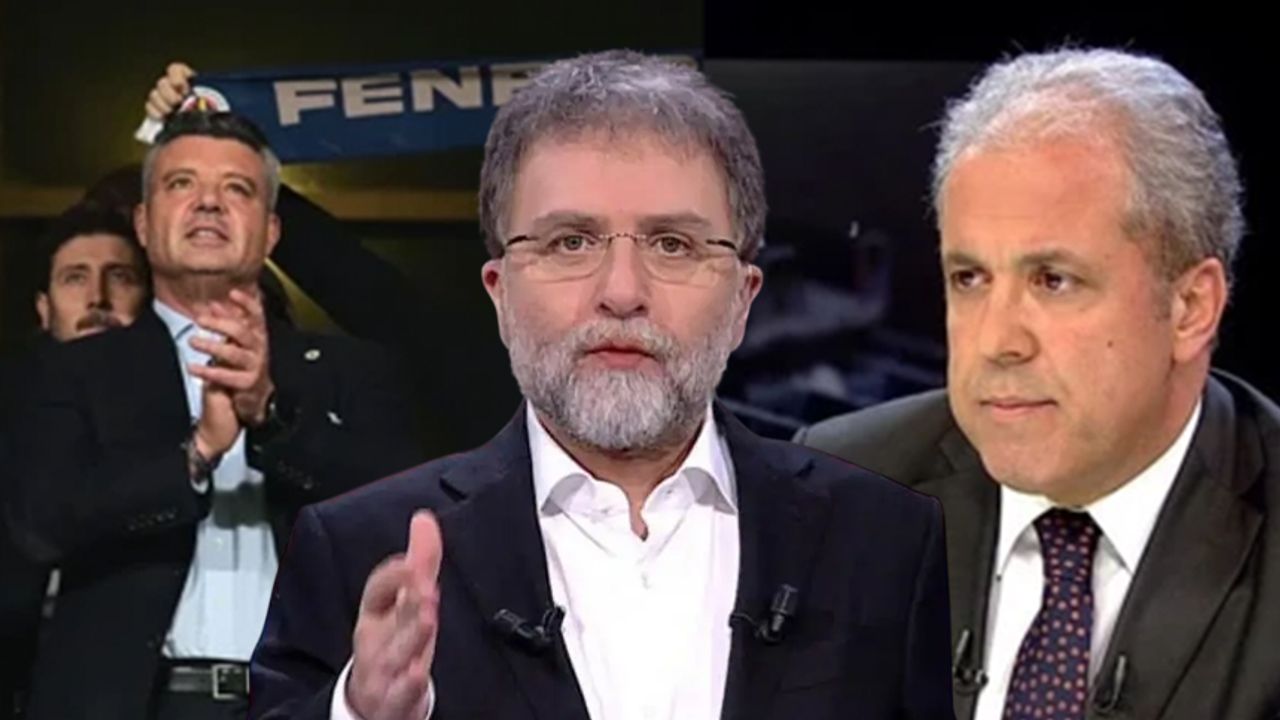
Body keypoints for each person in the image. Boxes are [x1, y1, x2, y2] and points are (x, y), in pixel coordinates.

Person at [250, 50, 954, 720]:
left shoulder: (883, 540)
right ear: (500, 293)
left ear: (743, 299)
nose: (621, 292)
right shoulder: (359, 549)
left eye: (673, 244)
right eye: (571, 242)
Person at [797, 48, 1280, 719]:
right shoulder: (844, 490)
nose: (997, 341)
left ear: (1189, 308)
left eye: (1053, 281)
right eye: (970, 278)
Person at [4, 110, 425, 720]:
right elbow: (37, 523)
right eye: (182, 184)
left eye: (237, 188)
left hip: (302, 702)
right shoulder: (70, 369)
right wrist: (196, 454)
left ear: (271, 231)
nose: (208, 203)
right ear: (143, 225)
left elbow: (398, 515)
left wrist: (273, 417)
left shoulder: (350, 370)